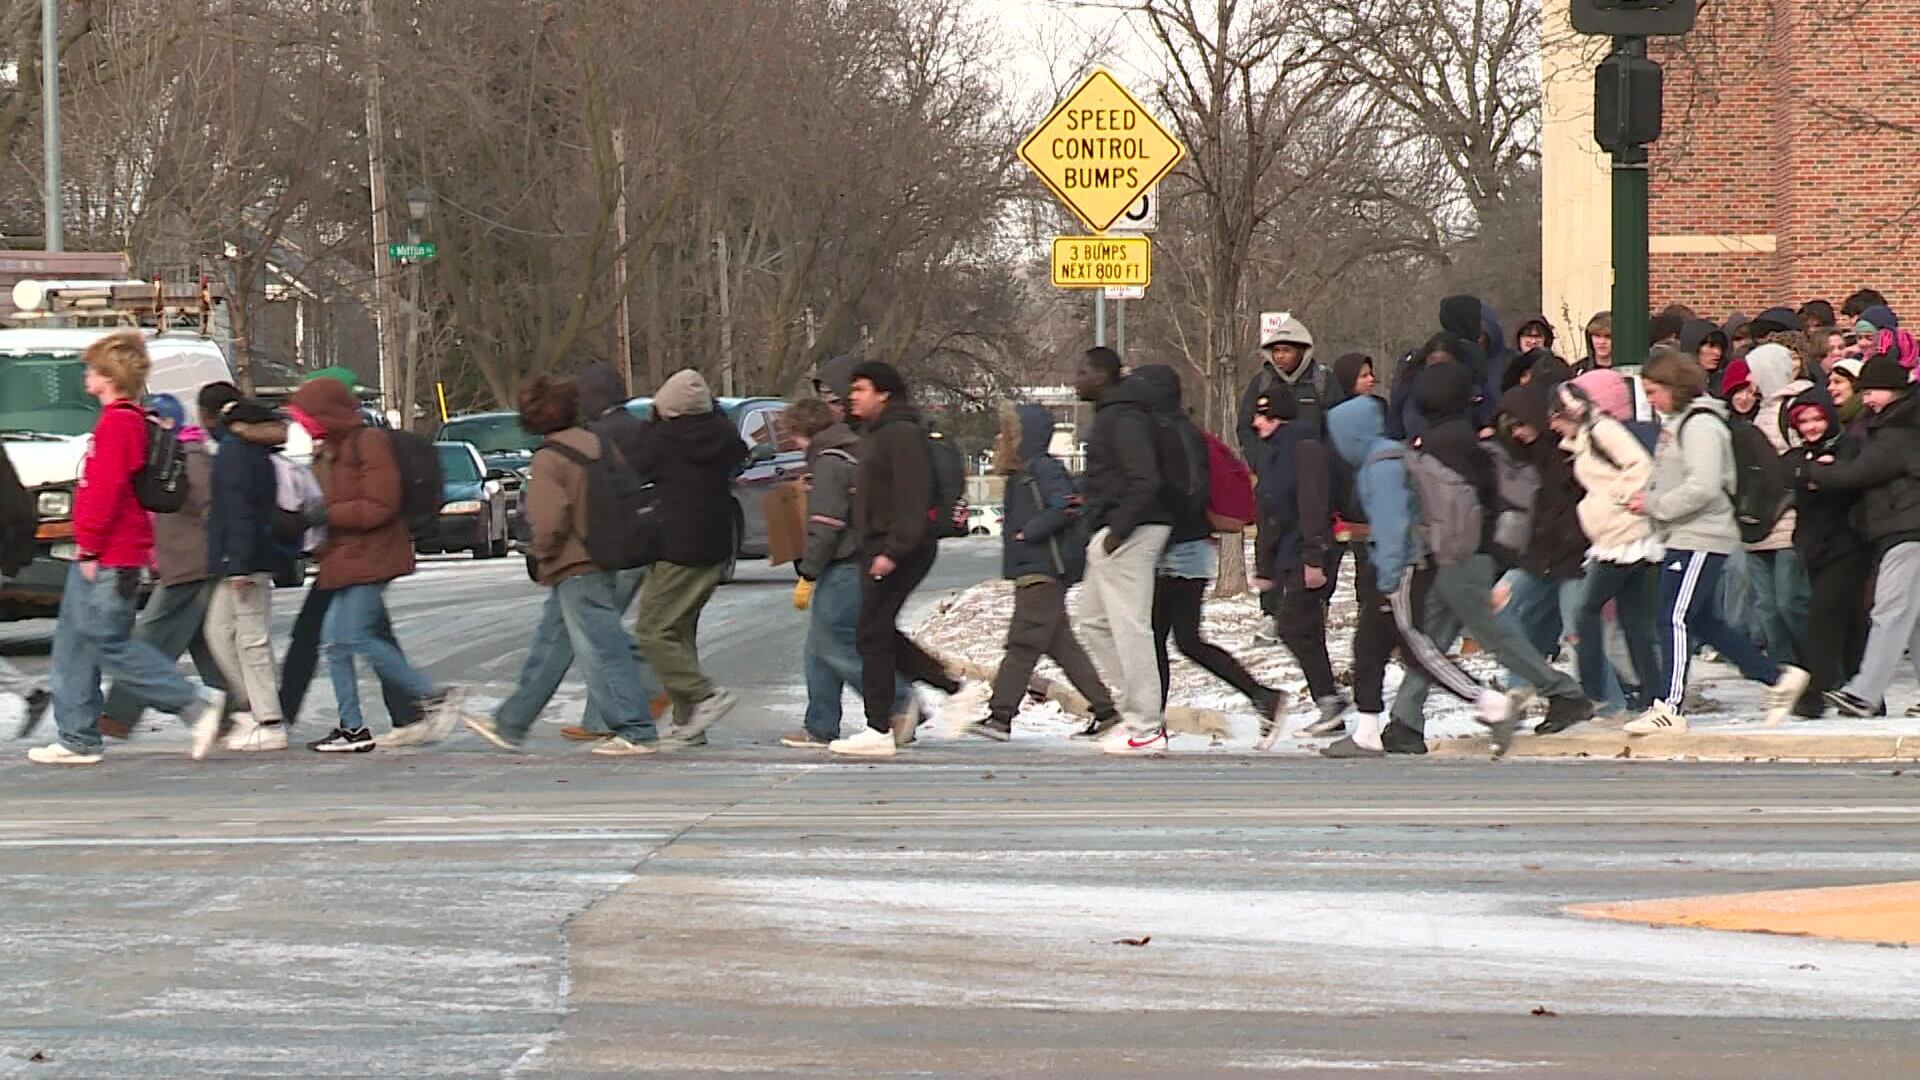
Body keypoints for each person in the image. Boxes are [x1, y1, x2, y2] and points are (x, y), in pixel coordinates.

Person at [28, 331, 227, 765]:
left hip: (108, 555)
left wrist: (89, 547)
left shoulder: (118, 424)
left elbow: (106, 490)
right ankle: (78, 737)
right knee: (75, 646)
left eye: (91, 368)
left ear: (108, 376)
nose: (86, 374)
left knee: (108, 642)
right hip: (108, 553)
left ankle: (191, 703)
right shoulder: (128, 420)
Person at [1384, 360, 1596, 751]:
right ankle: (1404, 722)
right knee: (1429, 642)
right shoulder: (1460, 437)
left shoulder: (1443, 442)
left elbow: (1446, 504)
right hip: (1462, 553)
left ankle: (1564, 693)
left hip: (1457, 553)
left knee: (1492, 636)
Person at [464, 377, 663, 756]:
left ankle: (637, 729)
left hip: (575, 562)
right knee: (553, 644)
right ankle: (512, 722)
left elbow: (549, 520)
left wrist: (541, 555)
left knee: (601, 649)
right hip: (606, 554)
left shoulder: (550, 457)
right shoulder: (598, 444)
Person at [1622, 348, 1809, 734]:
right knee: (1704, 621)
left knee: (1673, 617)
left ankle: (1669, 706)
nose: (1650, 400)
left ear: (1674, 386)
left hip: (1700, 534)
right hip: (1687, 533)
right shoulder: (1683, 423)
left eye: (1654, 391)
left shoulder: (1701, 425)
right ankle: (1777, 678)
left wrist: (1655, 505)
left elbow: (1704, 487)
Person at [1320, 396, 1508, 758]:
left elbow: (1393, 526)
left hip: (1405, 566)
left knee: (1417, 650)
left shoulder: (1381, 467)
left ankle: (1491, 703)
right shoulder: (1388, 456)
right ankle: (1367, 732)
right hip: (1398, 563)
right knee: (1368, 646)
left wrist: (1388, 577)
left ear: (1350, 434)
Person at [286, 374, 453, 752]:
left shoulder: (369, 442)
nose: (304, 426)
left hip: (374, 556)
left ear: (327, 413)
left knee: (355, 637)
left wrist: (327, 514)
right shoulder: (329, 449)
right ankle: (352, 728)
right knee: (335, 643)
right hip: (345, 558)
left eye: (308, 418)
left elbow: (381, 504)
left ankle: (428, 695)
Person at [1142, 365, 1290, 732]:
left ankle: (1152, 724)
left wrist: (1162, 524)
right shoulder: (1183, 432)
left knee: (1161, 639)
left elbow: (1187, 493)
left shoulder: (1174, 435)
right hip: (1188, 546)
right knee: (1180, 640)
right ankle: (1260, 696)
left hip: (1179, 548)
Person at [829, 361, 963, 757]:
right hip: (882, 544)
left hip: (900, 546)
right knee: (876, 630)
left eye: (861, 389)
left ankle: (879, 727)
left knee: (871, 634)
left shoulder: (901, 434)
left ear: (884, 393)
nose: (852, 396)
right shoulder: (876, 432)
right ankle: (952, 688)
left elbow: (913, 497)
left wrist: (893, 551)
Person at [970, 401, 1116, 742]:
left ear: (1023, 437)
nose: (999, 439)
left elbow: (1066, 505)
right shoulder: (1022, 474)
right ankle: (1108, 712)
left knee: (1022, 645)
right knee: (1062, 646)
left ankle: (1000, 717)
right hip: (1034, 569)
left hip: (1042, 570)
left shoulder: (1042, 468)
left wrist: (1029, 532)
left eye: (1007, 432)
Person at [781, 396, 912, 748]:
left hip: (845, 562)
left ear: (802, 431)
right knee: (817, 647)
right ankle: (820, 724)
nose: (794, 443)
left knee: (836, 642)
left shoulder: (829, 461)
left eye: (793, 436)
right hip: (858, 558)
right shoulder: (851, 450)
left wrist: (808, 572)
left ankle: (899, 702)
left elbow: (826, 523)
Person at [632, 368, 747, 747]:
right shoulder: (724, 436)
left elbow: (637, 465)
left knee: (651, 630)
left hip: (676, 544)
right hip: (715, 543)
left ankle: (703, 695)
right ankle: (688, 720)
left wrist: (651, 422)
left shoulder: (662, 439)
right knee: (679, 631)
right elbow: (741, 457)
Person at [97, 393, 222, 741]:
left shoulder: (189, 455)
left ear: (169, 421)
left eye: (153, 420)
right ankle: (234, 712)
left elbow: (211, 507)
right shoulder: (165, 455)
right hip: (181, 563)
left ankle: (118, 714)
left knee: (150, 636)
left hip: (192, 564)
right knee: (204, 642)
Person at [555, 361, 668, 741]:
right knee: (602, 630)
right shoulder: (641, 430)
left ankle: (639, 696)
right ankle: (603, 715)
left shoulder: (597, 437)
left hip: (609, 544)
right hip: (644, 538)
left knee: (599, 633)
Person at [1073, 347, 1176, 754]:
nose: (1076, 379)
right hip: (1114, 531)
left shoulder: (1125, 417)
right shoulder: (1113, 414)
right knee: (1092, 621)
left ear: (1103, 375)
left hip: (1133, 531)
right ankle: (1136, 711)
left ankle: (1147, 726)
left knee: (1131, 627)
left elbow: (1145, 479)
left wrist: (1117, 532)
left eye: (1082, 371)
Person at [1807, 354, 1920, 716]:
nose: (1867, 398)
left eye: (1872, 391)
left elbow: (1860, 472)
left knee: (1889, 610)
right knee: (1913, 618)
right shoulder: (1897, 423)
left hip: (1907, 529)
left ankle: (1864, 693)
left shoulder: (1900, 430)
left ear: (1894, 390)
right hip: (1905, 527)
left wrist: (1812, 472)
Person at [1552, 371, 1664, 718]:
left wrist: (1617, 499)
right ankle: (1652, 693)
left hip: (1625, 538)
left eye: (1555, 416)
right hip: (1619, 536)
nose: (1552, 425)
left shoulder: (1603, 430)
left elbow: (1641, 465)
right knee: (1634, 621)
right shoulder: (1587, 437)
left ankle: (1594, 689)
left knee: (1585, 611)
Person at [1247, 384, 1347, 734]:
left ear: (1279, 418)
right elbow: (1269, 509)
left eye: (1263, 416)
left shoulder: (1305, 449)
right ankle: (1330, 705)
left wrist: (1314, 558)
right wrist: (1265, 566)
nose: (1257, 423)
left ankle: (1331, 699)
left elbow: (1312, 504)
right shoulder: (1274, 452)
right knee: (1307, 629)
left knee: (1291, 626)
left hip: (1309, 551)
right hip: (1290, 552)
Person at [203, 397, 297, 751]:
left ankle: (268, 719)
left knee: (249, 637)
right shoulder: (260, 454)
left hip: (244, 561)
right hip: (251, 555)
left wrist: (238, 563)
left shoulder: (233, 454)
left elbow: (238, 511)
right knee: (221, 631)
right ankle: (252, 707)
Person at [1782, 393, 1869, 718]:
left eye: (1817, 419)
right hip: (1816, 549)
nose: (1811, 427)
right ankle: (1864, 693)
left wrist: (1816, 476)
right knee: (1850, 621)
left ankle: (1813, 695)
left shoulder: (1850, 446)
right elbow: (1789, 473)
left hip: (1849, 546)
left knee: (1823, 617)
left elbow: (1846, 482)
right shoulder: (1798, 456)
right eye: (1803, 421)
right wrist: (1813, 473)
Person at [1740, 343, 1813, 670]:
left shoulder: (1794, 406)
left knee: (1789, 602)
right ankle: (1785, 669)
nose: (1750, 379)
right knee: (1766, 607)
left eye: (1754, 371)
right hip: (1757, 523)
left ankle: (1813, 665)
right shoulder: (1762, 410)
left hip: (1787, 520)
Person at [1238, 311, 1342, 451]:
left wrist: (1322, 458)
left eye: (1287, 351)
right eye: (1276, 350)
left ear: (1302, 352)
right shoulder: (1262, 382)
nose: (1280, 356)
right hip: (1272, 462)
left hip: (1313, 461)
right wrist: (1260, 459)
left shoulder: (1323, 381)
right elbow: (1245, 427)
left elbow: (1338, 428)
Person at [1679, 318, 1731, 396]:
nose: (1718, 352)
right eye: (1711, 346)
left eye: (1720, 346)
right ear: (1693, 346)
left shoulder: (1725, 380)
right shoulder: (1675, 385)